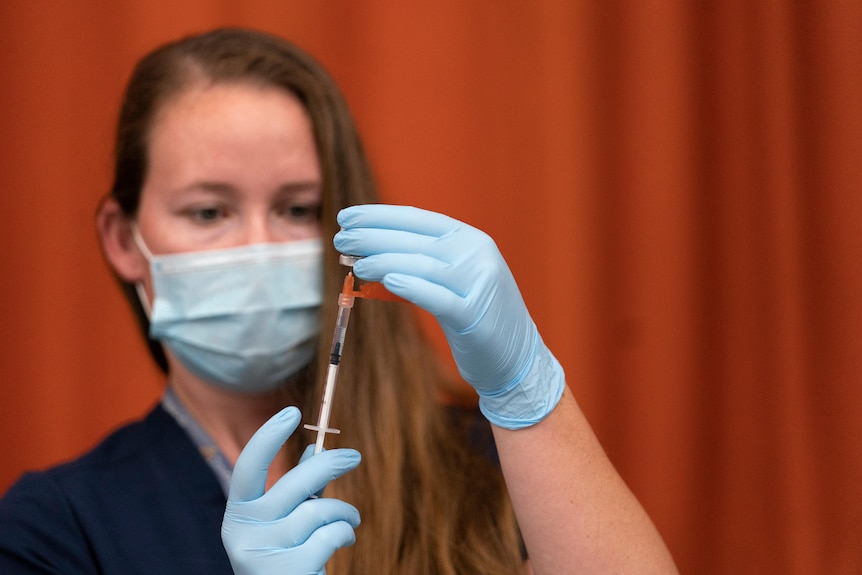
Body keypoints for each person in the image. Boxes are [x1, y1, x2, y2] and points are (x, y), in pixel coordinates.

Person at [0, 28, 677, 575]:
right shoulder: (60, 525)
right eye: (209, 211)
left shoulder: (481, 460)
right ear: (124, 240)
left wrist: (528, 389)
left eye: (299, 208)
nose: (259, 247)